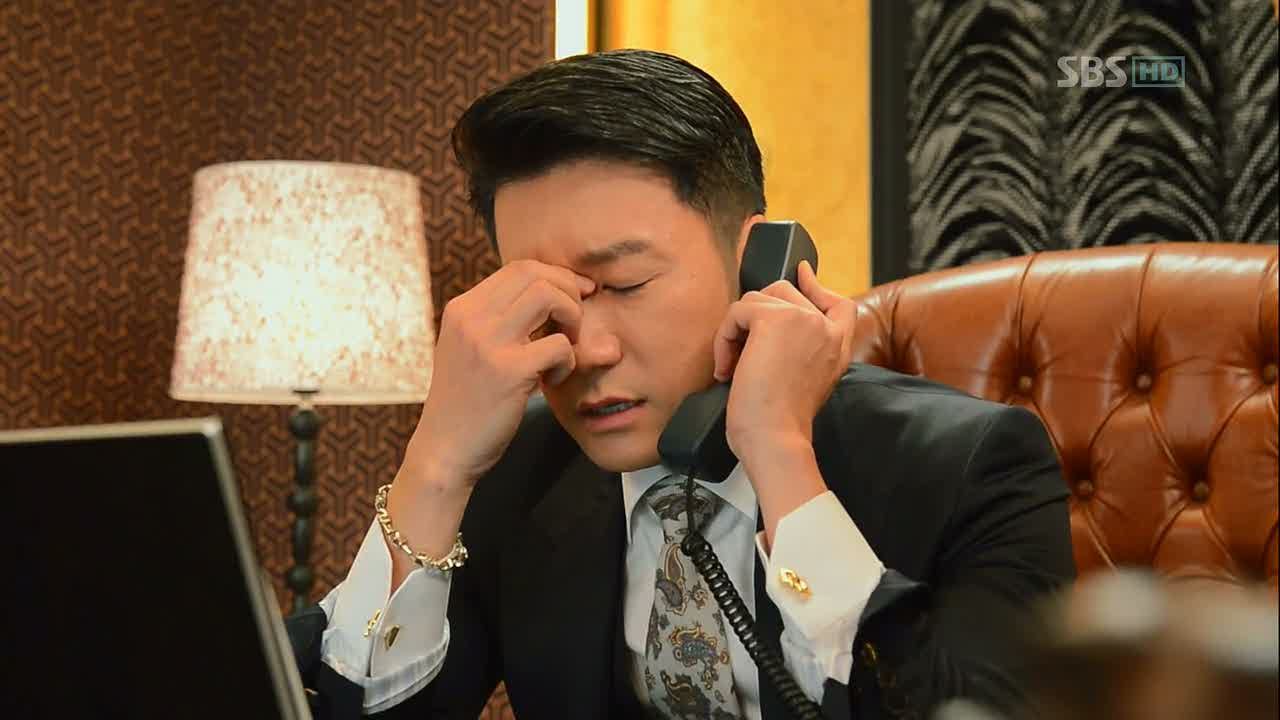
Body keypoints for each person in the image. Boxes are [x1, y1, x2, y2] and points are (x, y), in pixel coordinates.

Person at [285, 49, 1074, 720]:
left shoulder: (974, 465)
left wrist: (778, 454)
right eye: (546, 300)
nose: (586, 349)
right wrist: (435, 466)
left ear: (756, 263)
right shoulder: (516, 469)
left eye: (625, 284)